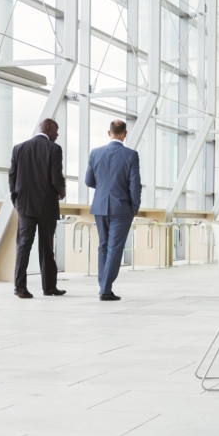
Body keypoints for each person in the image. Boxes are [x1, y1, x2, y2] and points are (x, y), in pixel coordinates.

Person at [9, 117, 66, 299]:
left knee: (23, 245)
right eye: (56, 130)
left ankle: (20, 287)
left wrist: (16, 199)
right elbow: (56, 177)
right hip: (46, 205)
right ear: (47, 128)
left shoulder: (19, 148)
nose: (57, 134)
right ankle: (49, 287)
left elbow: (12, 176)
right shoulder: (54, 149)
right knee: (46, 246)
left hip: (25, 205)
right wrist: (61, 191)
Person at [84, 119, 141, 301]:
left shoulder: (95, 153)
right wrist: (134, 206)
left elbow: (89, 181)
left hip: (100, 206)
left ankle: (103, 285)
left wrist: (103, 189)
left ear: (109, 133)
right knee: (115, 248)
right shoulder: (131, 155)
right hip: (122, 208)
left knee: (103, 246)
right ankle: (106, 289)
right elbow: (135, 184)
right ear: (125, 134)